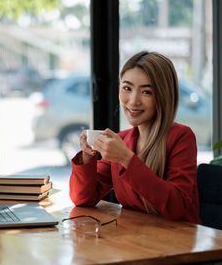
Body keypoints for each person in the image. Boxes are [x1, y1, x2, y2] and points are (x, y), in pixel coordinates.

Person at [69, 51, 201, 224]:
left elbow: (177, 206)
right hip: (136, 240)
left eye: (146, 92)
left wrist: (126, 159)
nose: (133, 101)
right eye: (127, 88)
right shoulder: (122, 141)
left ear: (163, 96)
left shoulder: (181, 137)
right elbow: (83, 198)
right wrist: (87, 156)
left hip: (177, 241)